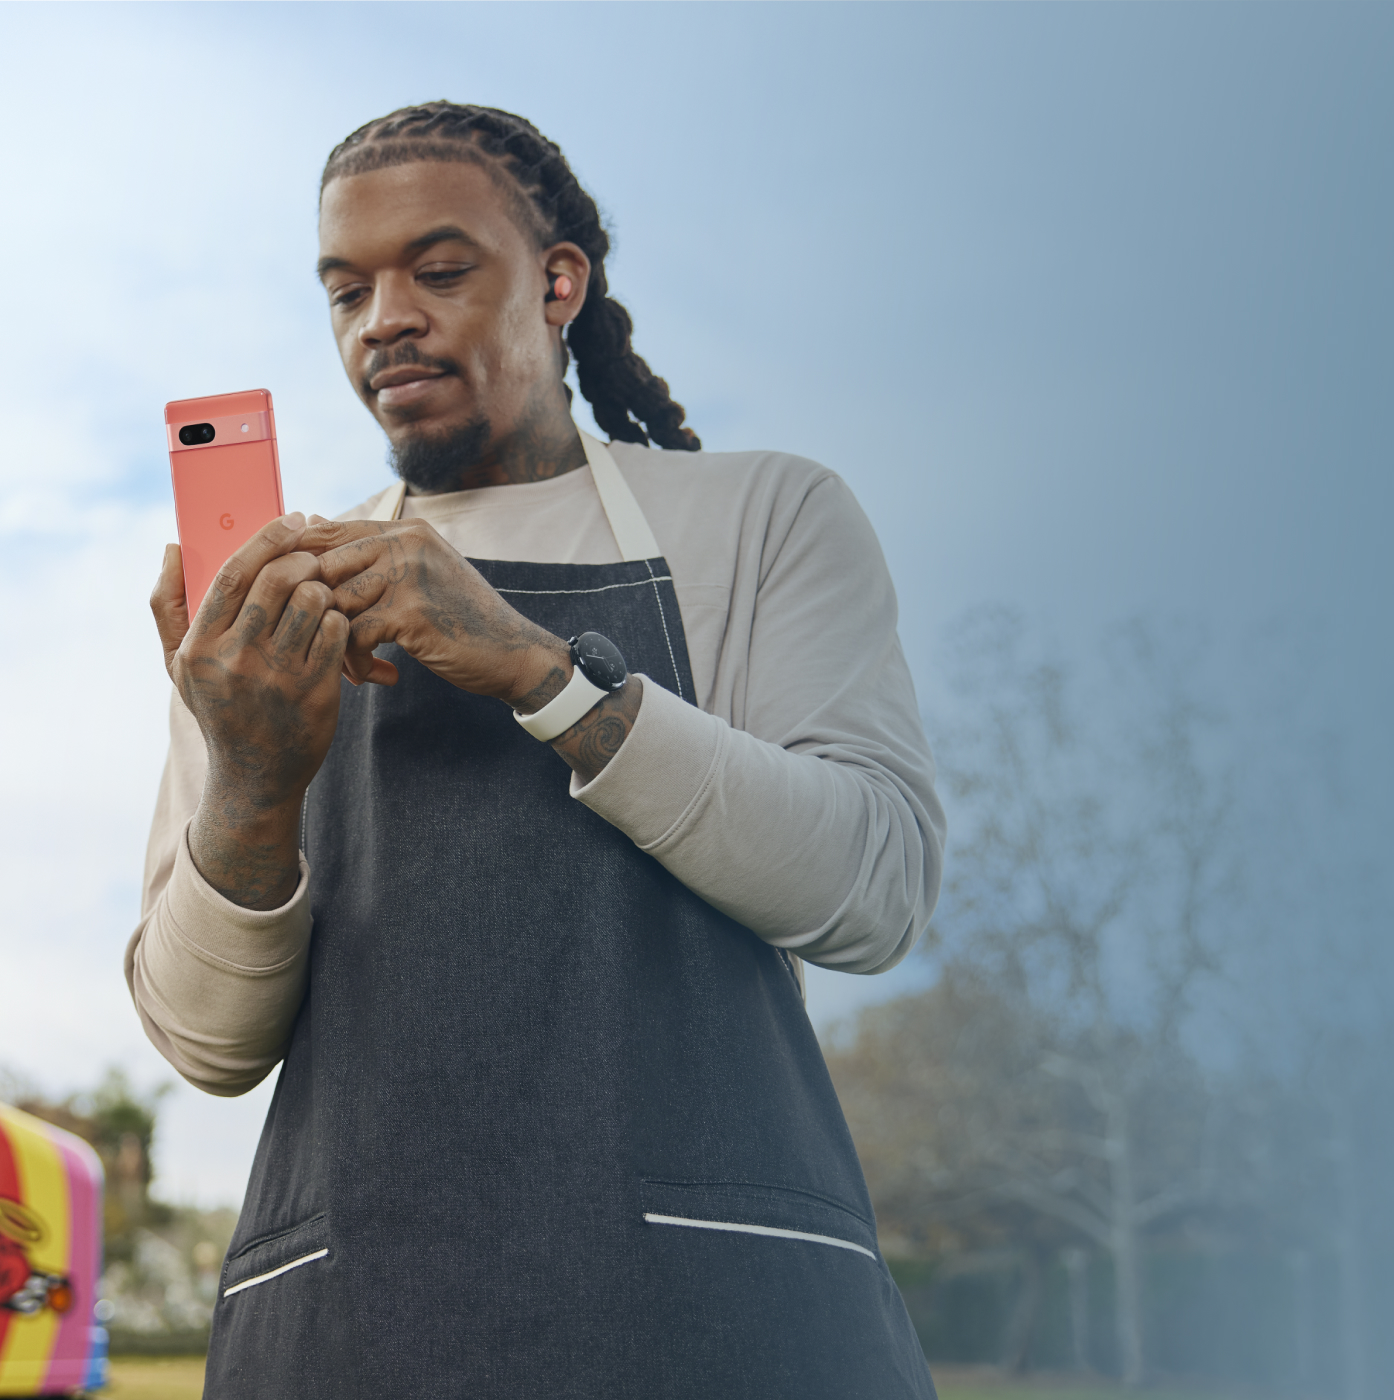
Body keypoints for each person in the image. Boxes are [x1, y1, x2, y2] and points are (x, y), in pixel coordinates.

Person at [125, 102, 943, 1397]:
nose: (383, 316)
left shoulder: (762, 517)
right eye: (346, 290)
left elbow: (873, 889)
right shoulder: (274, 615)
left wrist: (541, 674)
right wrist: (254, 778)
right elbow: (205, 1042)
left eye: (437, 271)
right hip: (358, 1332)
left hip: (706, 1322)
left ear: (559, 281)